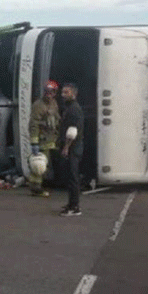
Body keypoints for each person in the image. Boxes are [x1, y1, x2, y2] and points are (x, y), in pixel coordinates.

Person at [28, 80, 61, 197]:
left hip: (51, 139)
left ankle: (44, 184)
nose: (49, 94)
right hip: (42, 140)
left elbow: (56, 118)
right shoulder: (38, 105)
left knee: (47, 164)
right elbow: (34, 124)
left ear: (55, 93)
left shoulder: (54, 103)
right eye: (47, 91)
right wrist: (34, 142)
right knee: (39, 164)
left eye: (51, 92)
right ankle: (35, 188)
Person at [58, 83, 85, 217]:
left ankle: (74, 207)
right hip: (74, 147)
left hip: (73, 147)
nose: (63, 95)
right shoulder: (72, 107)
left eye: (66, 92)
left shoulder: (73, 109)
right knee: (71, 176)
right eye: (62, 92)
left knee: (73, 177)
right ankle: (71, 203)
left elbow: (72, 131)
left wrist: (66, 147)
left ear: (73, 94)